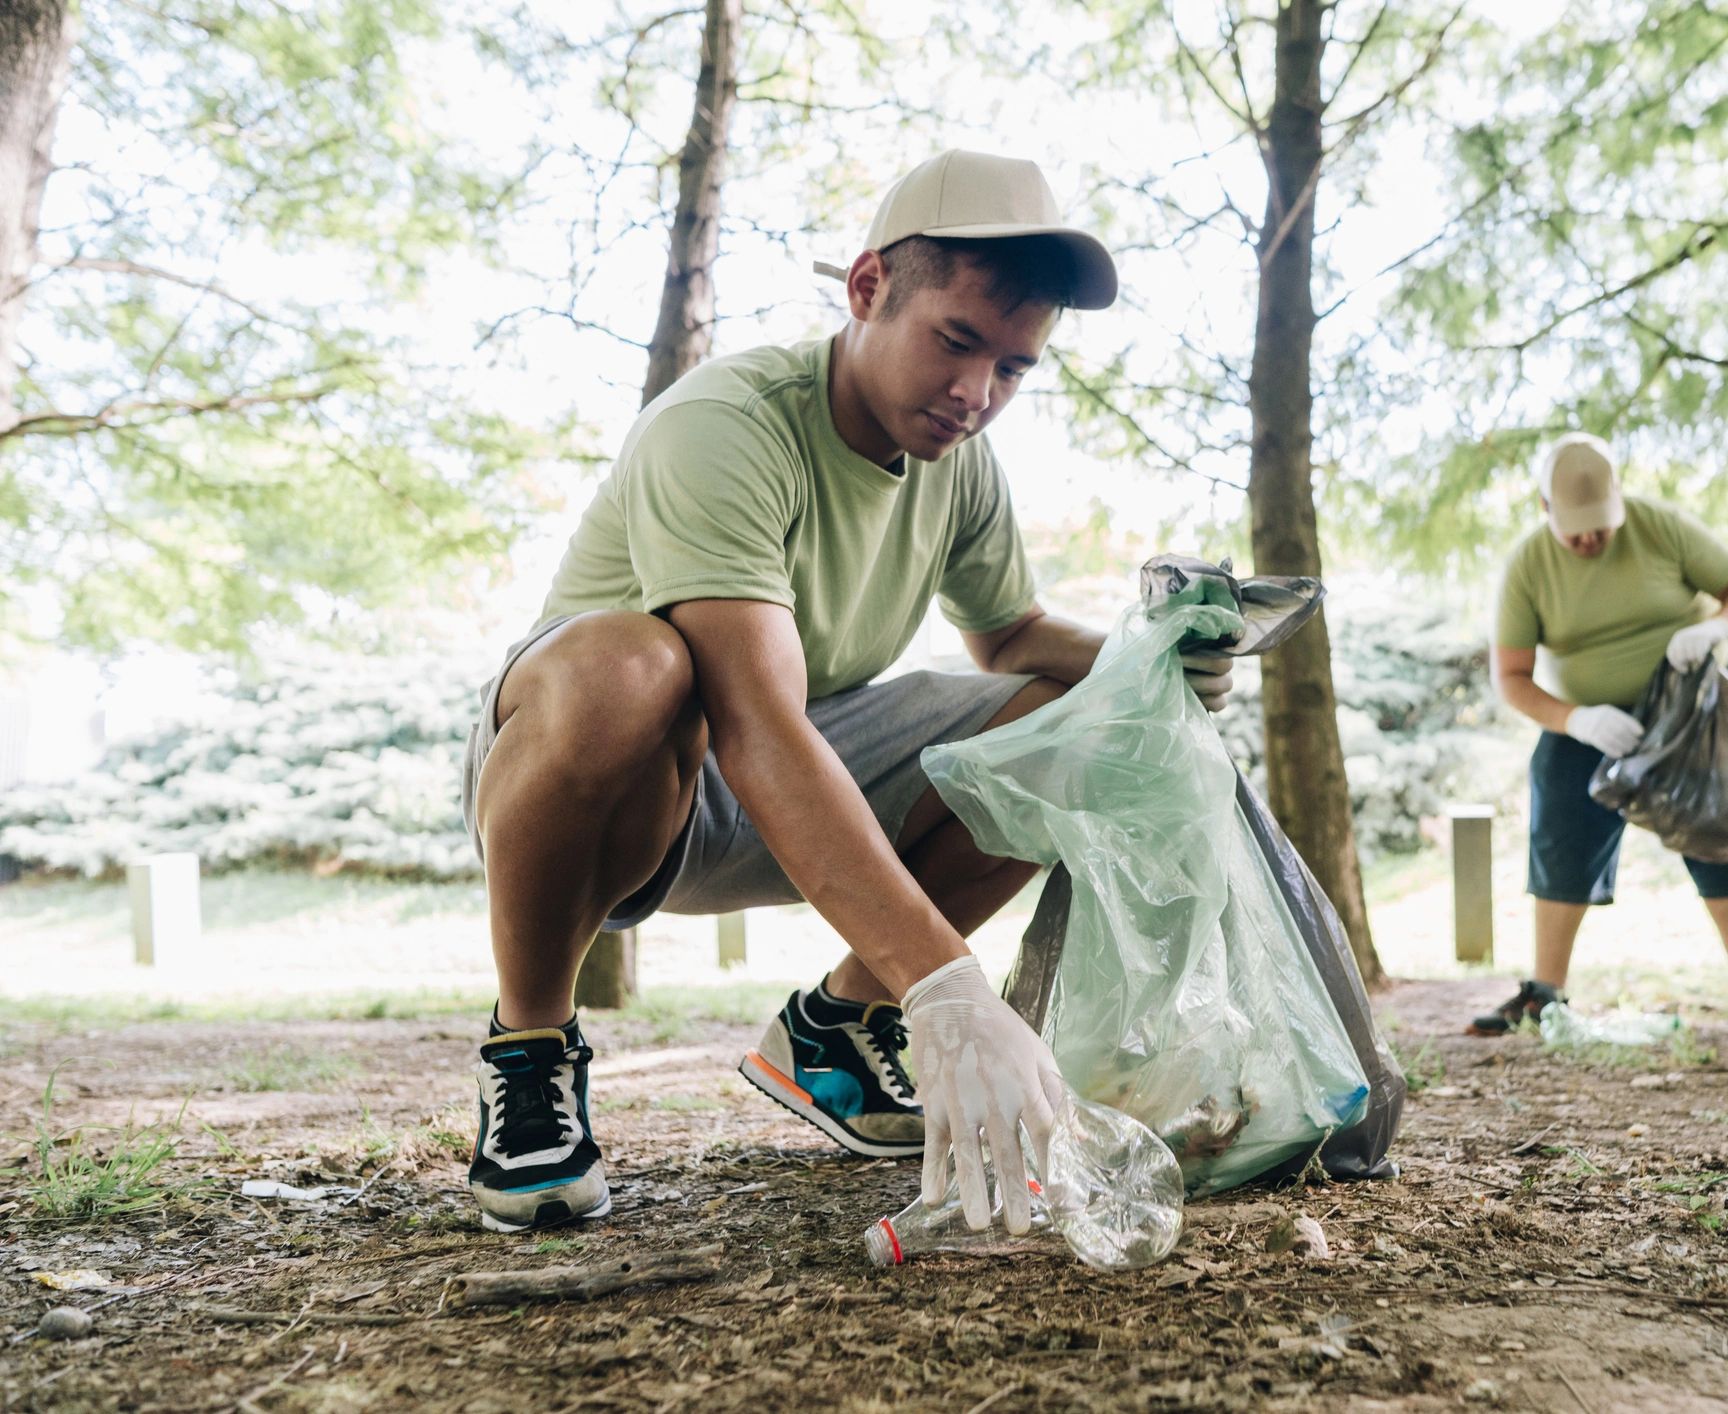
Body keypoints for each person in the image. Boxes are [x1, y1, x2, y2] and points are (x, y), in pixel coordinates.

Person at [454, 150, 1236, 1235]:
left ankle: (838, 1029)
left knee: (1085, 720)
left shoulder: (957, 462)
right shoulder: (728, 423)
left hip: (795, 755)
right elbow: (754, 720)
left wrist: (1152, 662)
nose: (976, 395)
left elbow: (1009, 634)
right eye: (956, 341)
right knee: (638, 663)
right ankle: (532, 1044)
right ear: (868, 290)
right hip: (614, 768)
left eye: (1013, 368)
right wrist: (952, 986)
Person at [1471, 432, 1728, 1040]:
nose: (1592, 539)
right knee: (1559, 826)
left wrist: (1717, 629)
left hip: (1690, 707)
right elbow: (1512, 679)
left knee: (1722, 829)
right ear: (1546, 511)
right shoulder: (1528, 566)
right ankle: (1544, 993)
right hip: (1589, 720)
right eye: (1577, 531)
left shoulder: (1658, 526)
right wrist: (1577, 720)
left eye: (1601, 525)